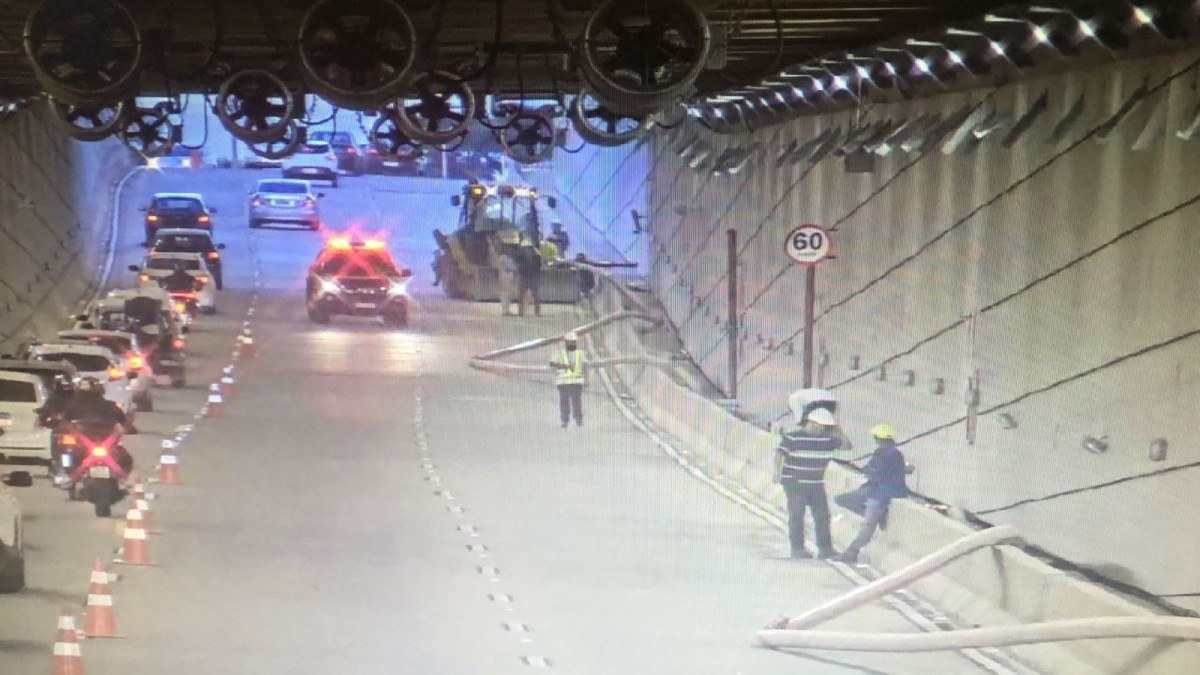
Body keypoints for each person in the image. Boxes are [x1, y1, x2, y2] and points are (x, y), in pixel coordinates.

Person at [775, 397, 848, 559]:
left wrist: (837, 428)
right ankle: (797, 549)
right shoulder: (793, 437)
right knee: (797, 514)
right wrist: (777, 473)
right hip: (795, 482)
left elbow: (847, 446)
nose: (821, 429)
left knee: (822, 515)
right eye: (820, 426)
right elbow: (780, 453)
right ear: (811, 423)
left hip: (816, 483)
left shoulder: (828, 440)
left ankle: (825, 549)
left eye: (824, 427)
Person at [837, 424, 909, 564]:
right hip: (879, 490)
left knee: (868, 525)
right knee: (843, 500)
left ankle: (852, 552)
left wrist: (867, 471)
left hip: (881, 494)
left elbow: (875, 473)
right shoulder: (893, 453)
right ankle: (878, 516)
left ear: (878, 438)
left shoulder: (884, 454)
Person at [63, 377, 135, 434]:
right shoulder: (110, 405)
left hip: (106, 440)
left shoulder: (72, 406)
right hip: (84, 440)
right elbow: (125, 423)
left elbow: (125, 424)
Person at [550, 331, 585, 428]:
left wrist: (587, 379)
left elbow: (586, 366)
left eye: (573, 342)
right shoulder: (559, 353)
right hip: (563, 382)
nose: (571, 344)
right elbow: (552, 364)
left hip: (576, 381)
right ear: (566, 342)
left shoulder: (580, 353)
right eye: (569, 342)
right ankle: (565, 420)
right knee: (564, 401)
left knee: (576, 402)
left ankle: (578, 419)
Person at [515, 243, 542, 317]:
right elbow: (518, 264)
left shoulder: (535, 253)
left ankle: (535, 312)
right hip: (526, 276)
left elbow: (539, 264)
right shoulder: (523, 253)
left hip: (530, 276)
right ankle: (522, 312)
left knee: (534, 295)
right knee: (523, 295)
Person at [498, 246, 519, 316]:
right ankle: (504, 310)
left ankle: (507, 310)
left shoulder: (512, 258)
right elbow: (500, 268)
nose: (510, 250)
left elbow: (514, 268)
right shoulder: (502, 257)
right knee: (504, 294)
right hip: (504, 275)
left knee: (509, 294)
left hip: (510, 275)